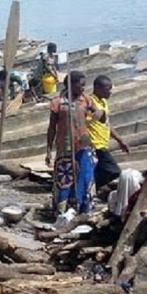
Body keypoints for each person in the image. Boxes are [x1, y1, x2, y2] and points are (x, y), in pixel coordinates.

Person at [45, 70, 105, 216]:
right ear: (71, 85)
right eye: (81, 85)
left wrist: (101, 113)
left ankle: (84, 211)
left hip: (83, 147)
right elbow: (52, 128)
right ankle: (62, 211)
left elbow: (102, 118)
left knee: (84, 178)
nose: (84, 88)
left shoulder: (86, 100)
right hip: (64, 148)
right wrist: (48, 150)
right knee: (64, 180)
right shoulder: (57, 103)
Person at [88, 75, 130, 188]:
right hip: (95, 145)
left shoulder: (103, 102)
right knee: (113, 171)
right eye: (107, 89)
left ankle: (89, 190)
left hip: (103, 143)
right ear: (97, 88)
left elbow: (106, 124)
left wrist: (119, 140)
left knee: (97, 170)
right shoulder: (89, 102)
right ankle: (87, 187)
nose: (110, 92)